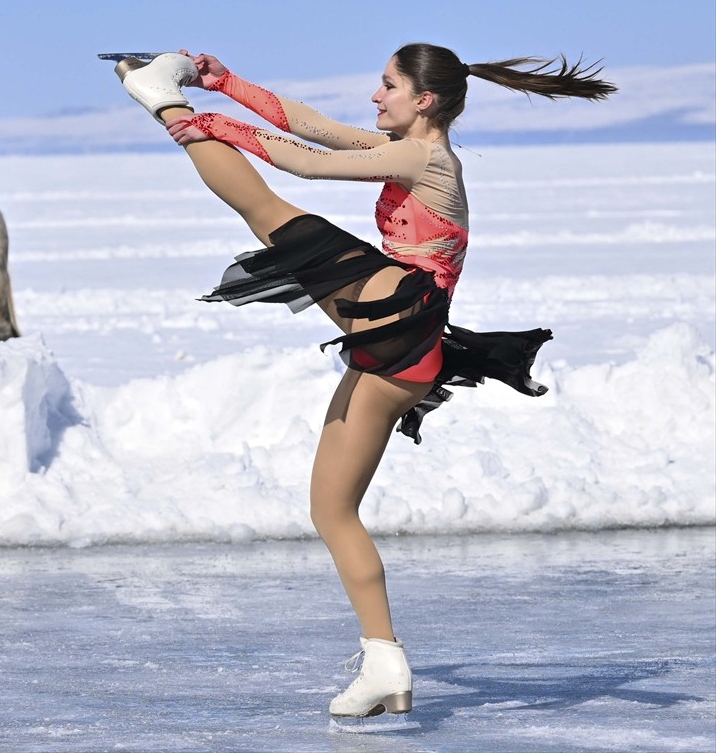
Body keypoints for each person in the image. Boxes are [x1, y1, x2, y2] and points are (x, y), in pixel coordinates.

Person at [114, 46, 615, 719]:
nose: (376, 97)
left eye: (388, 86)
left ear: (424, 100)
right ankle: (385, 662)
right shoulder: (406, 146)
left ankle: (157, 99)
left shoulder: (425, 158)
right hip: (406, 347)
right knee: (331, 509)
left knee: (269, 214)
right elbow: (314, 130)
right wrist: (224, 83)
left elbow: (308, 164)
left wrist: (193, 118)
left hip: (402, 315)